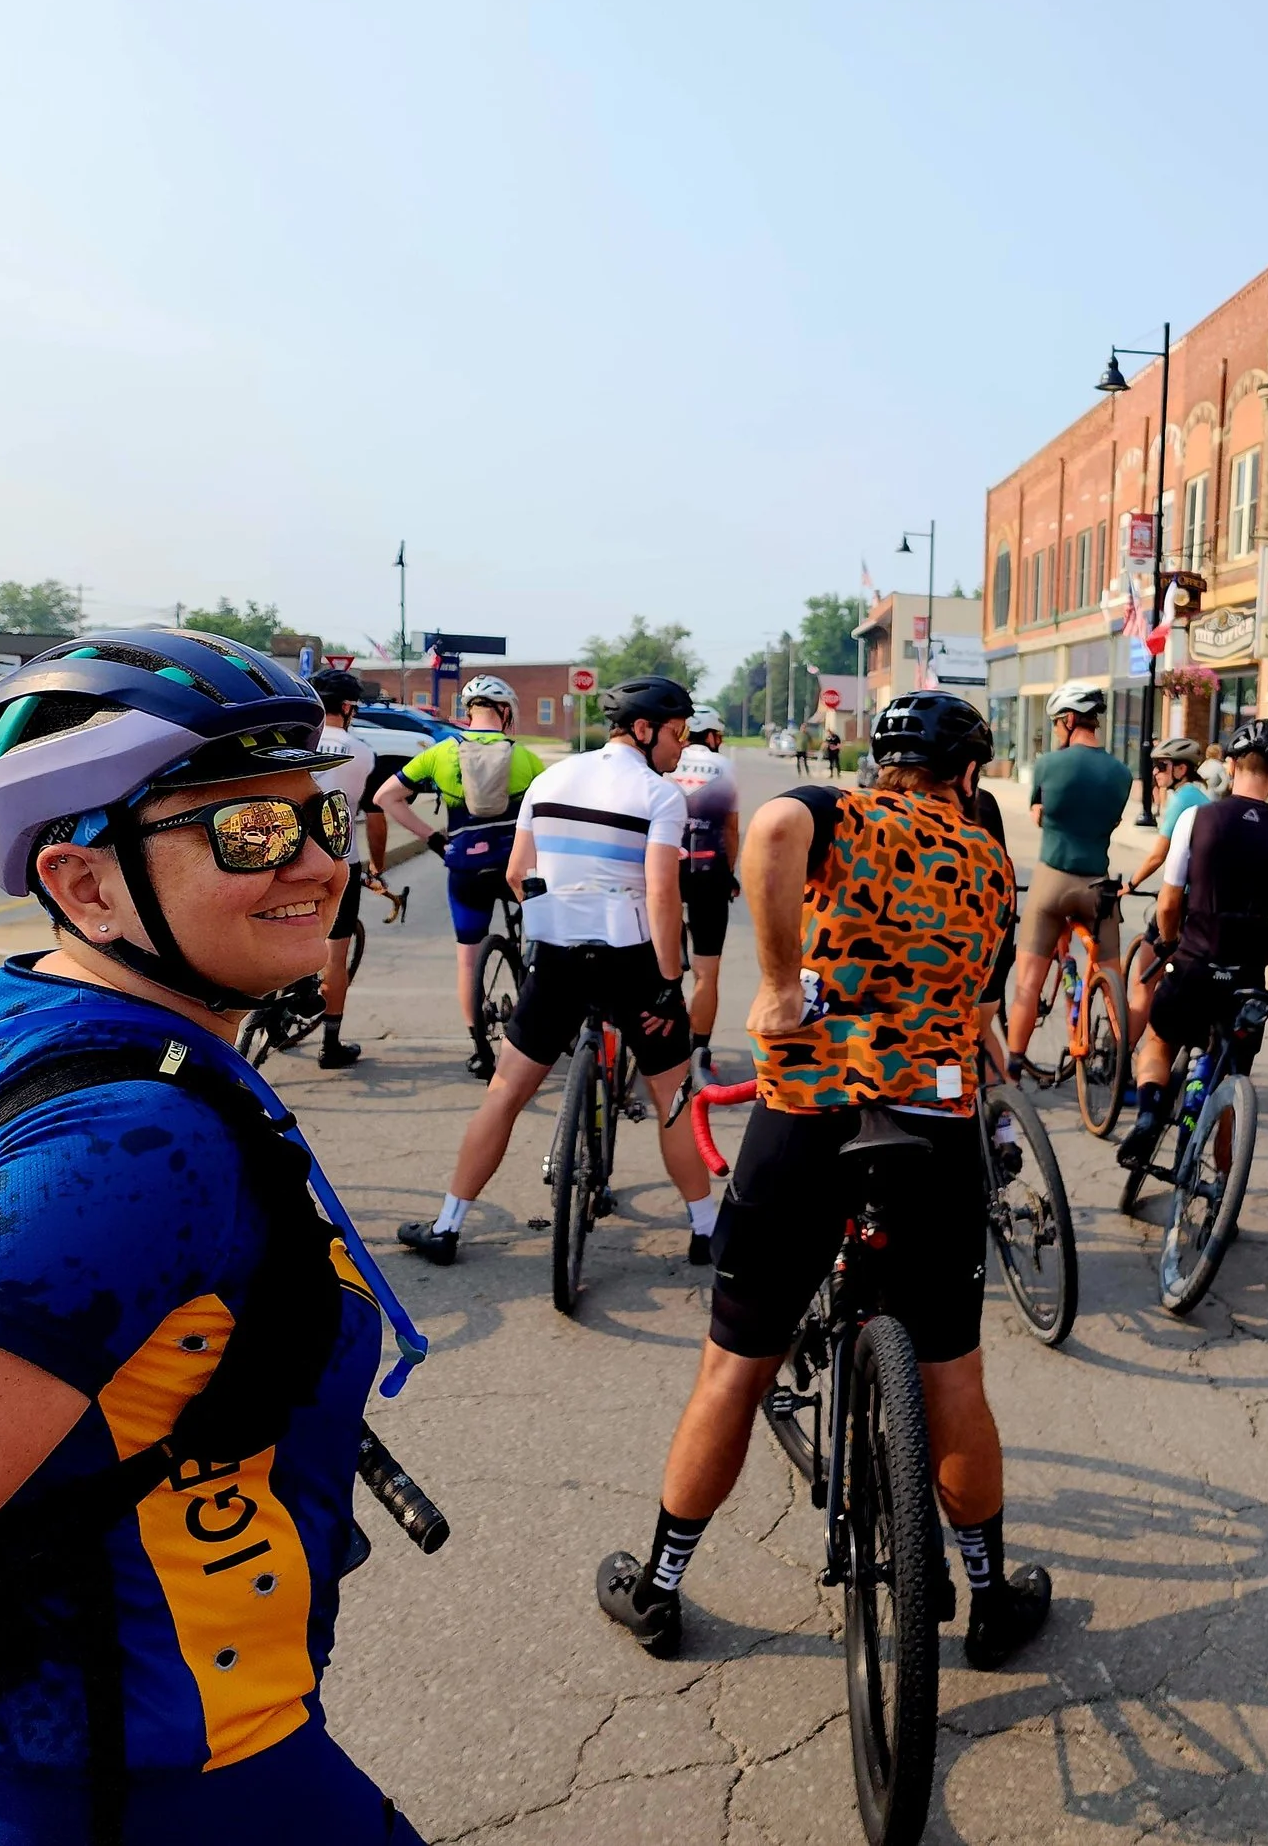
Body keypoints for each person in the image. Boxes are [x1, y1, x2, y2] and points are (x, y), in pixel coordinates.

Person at [0, 629, 425, 1842]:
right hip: (163, 1783)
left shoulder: (13, 1019)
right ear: (85, 885)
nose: (321, 864)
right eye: (249, 830)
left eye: (321, 816)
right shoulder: (136, 1144)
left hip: (58, 1738)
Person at [594, 691, 1053, 1670]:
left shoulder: (846, 812)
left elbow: (771, 827)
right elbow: (981, 1006)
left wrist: (777, 982)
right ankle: (987, 1596)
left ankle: (660, 1587)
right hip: (932, 1126)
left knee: (734, 1367)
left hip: (807, 1117)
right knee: (954, 1376)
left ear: (880, 763)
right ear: (968, 773)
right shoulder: (986, 860)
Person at [399, 676, 713, 1268]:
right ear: (644, 730)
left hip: (559, 957)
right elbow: (662, 893)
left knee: (504, 1093)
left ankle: (447, 1225)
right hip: (632, 961)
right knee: (672, 1097)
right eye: (676, 734)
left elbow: (518, 873)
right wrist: (669, 980)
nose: (682, 747)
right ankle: (705, 1228)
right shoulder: (660, 795)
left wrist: (560, 913)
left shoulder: (551, 778)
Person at [1119, 719, 1268, 1169]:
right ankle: (1222, 1181)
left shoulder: (1197, 819)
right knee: (1233, 1072)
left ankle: (1148, 1116)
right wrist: (1254, 959)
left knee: (1159, 1038)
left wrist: (1170, 944)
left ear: (1230, 765)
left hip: (1193, 963)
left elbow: (1169, 902)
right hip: (1245, 980)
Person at [374, 674, 549, 1078]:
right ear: (504, 711)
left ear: (468, 712)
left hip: (466, 866)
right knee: (542, 942)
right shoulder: (525, 757)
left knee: (468, 958)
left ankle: (479, 1050)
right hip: (514, 868)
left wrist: (434, 839)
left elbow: (386, 797)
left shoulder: (441, 752)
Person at [1003, 680, 1136, 1062]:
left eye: (1056, 723)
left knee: (1028, 984)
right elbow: (1112, 821)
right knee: (1112, 976)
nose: (1055, 730)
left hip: (1053, 881)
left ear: (1070, 719)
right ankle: (1120, 1060)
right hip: (1098, 886)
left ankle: (1014, 1066)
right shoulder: (1122, 774)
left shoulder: (1048, 764)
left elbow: (1037, 812)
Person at [1123, 735, 1214, 1039]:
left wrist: (1130, 884)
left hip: (1182, 902)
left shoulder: (1184, 799)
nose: (1155, 772)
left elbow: (1157, 855)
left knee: (1143, 983)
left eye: (1162, 766)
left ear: (1181, 769)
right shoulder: (1204, 798)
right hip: (1205, 905)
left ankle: (1120, 1059)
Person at [669, 703, 741, 1085]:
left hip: (666, 869)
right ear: (712, 736)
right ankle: (699, 1055)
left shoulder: (666, 761)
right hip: (708, 872)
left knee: (659, 963)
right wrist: (729, 874)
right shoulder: (724, 767)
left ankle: (662, 1045)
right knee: (706, 972)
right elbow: (731, 829)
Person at [311, 667, 376, 1069]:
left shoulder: (293, 741)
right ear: (348, 707)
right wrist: (378, 867)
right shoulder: (362, 751)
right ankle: (330, 1043)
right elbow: (376, 813)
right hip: (338, 862)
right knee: (336, 955)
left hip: (286, 858)